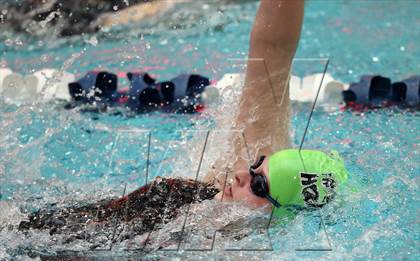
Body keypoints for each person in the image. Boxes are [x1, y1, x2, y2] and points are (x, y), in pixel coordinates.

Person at [19, 0, 347, 239]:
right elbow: (272, 48)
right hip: (50, 227)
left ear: (281, 215)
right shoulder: (228, 179)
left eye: (259, 185)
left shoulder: (238, 260)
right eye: (257, 165)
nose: (242, 173)